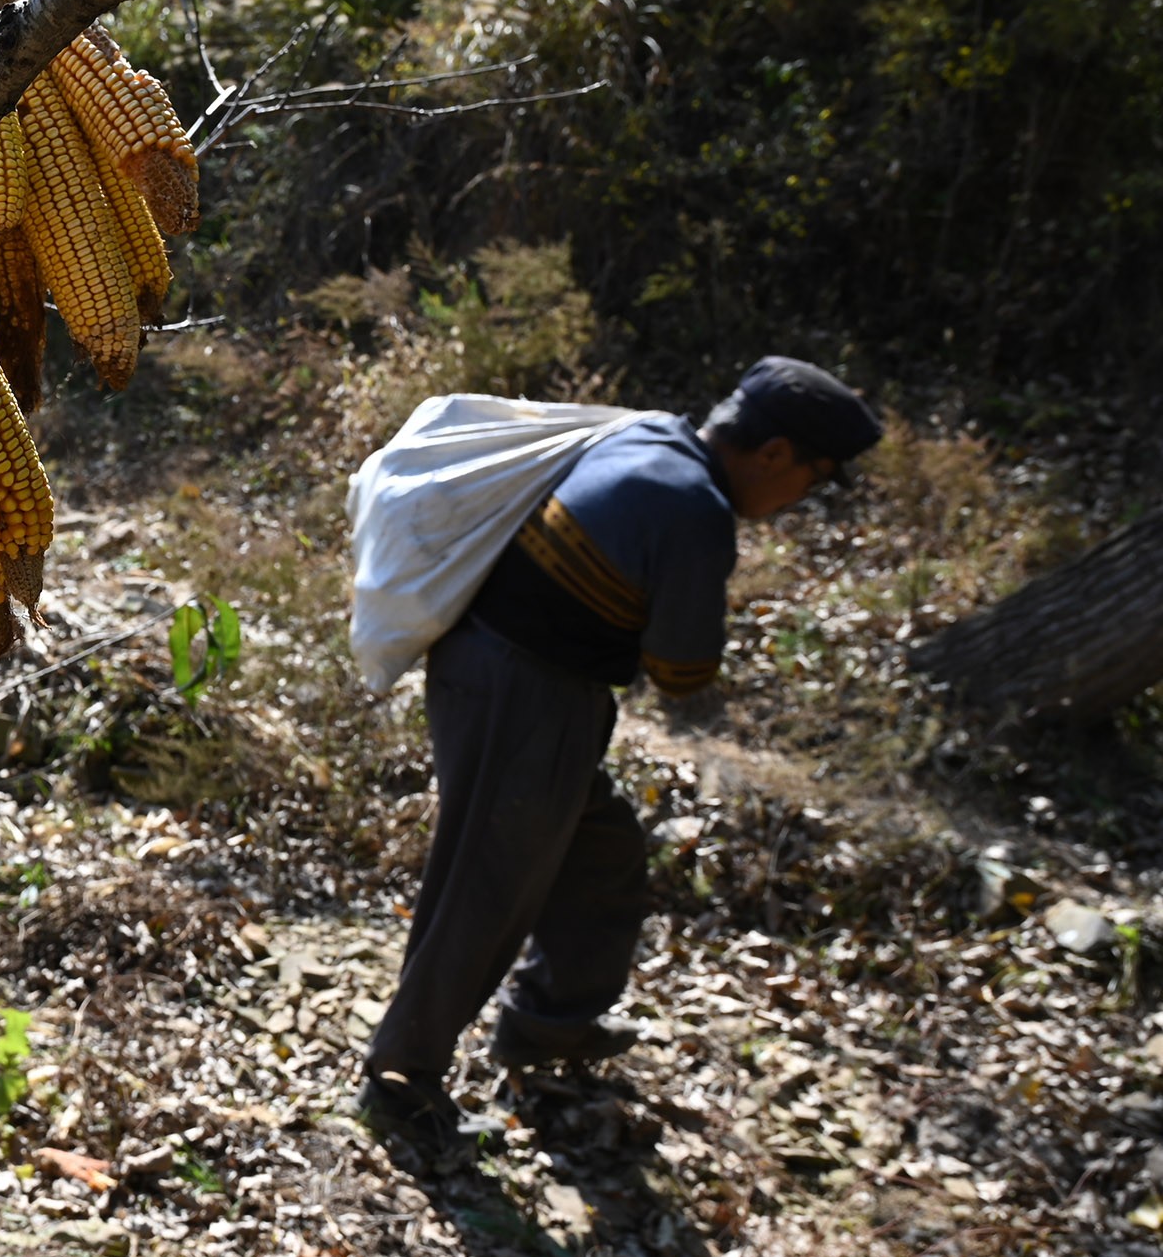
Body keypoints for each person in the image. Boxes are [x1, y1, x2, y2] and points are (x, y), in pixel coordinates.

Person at [358, 356, 882, 1152]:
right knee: (486, 887)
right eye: (811, 476)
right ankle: (404, 1077)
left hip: (499, 669)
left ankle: (548, 1025)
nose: (800, 496)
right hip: (528, 690)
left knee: (601, 854)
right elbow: (682, 672)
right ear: (774, 452)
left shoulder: (651, 437)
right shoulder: (694, 507)